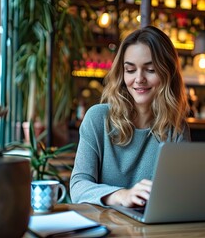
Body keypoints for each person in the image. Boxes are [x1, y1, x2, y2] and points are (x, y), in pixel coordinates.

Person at [70, 26, 191, 208]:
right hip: (105, 229)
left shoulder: (176, 128)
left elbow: (182, 193)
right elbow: (78, 187)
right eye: (130, 70)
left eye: (150, 70)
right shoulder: (97, 118)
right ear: (122, 73)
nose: (139, 79)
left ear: (168, 74)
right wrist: (122, 195)